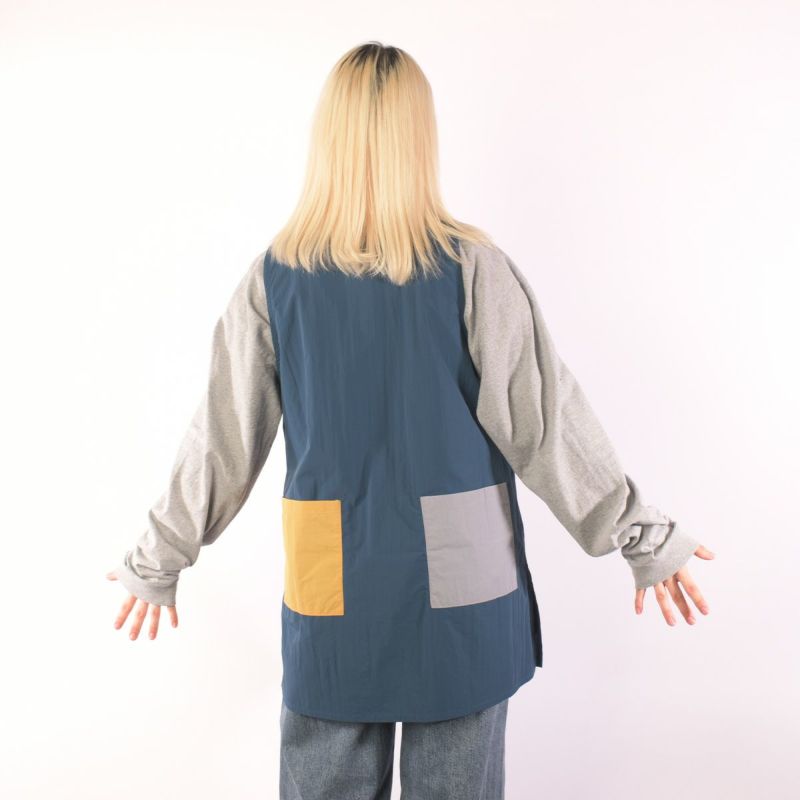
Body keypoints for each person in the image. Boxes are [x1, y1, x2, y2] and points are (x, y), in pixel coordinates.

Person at [106, 41, 714, 800]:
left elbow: (223, 438)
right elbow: (544, 421)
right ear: (421, 139)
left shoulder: (276, 279)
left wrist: (159, 555)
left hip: (336, 589)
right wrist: (640, 534)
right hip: (464, 591)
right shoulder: (472, 268)